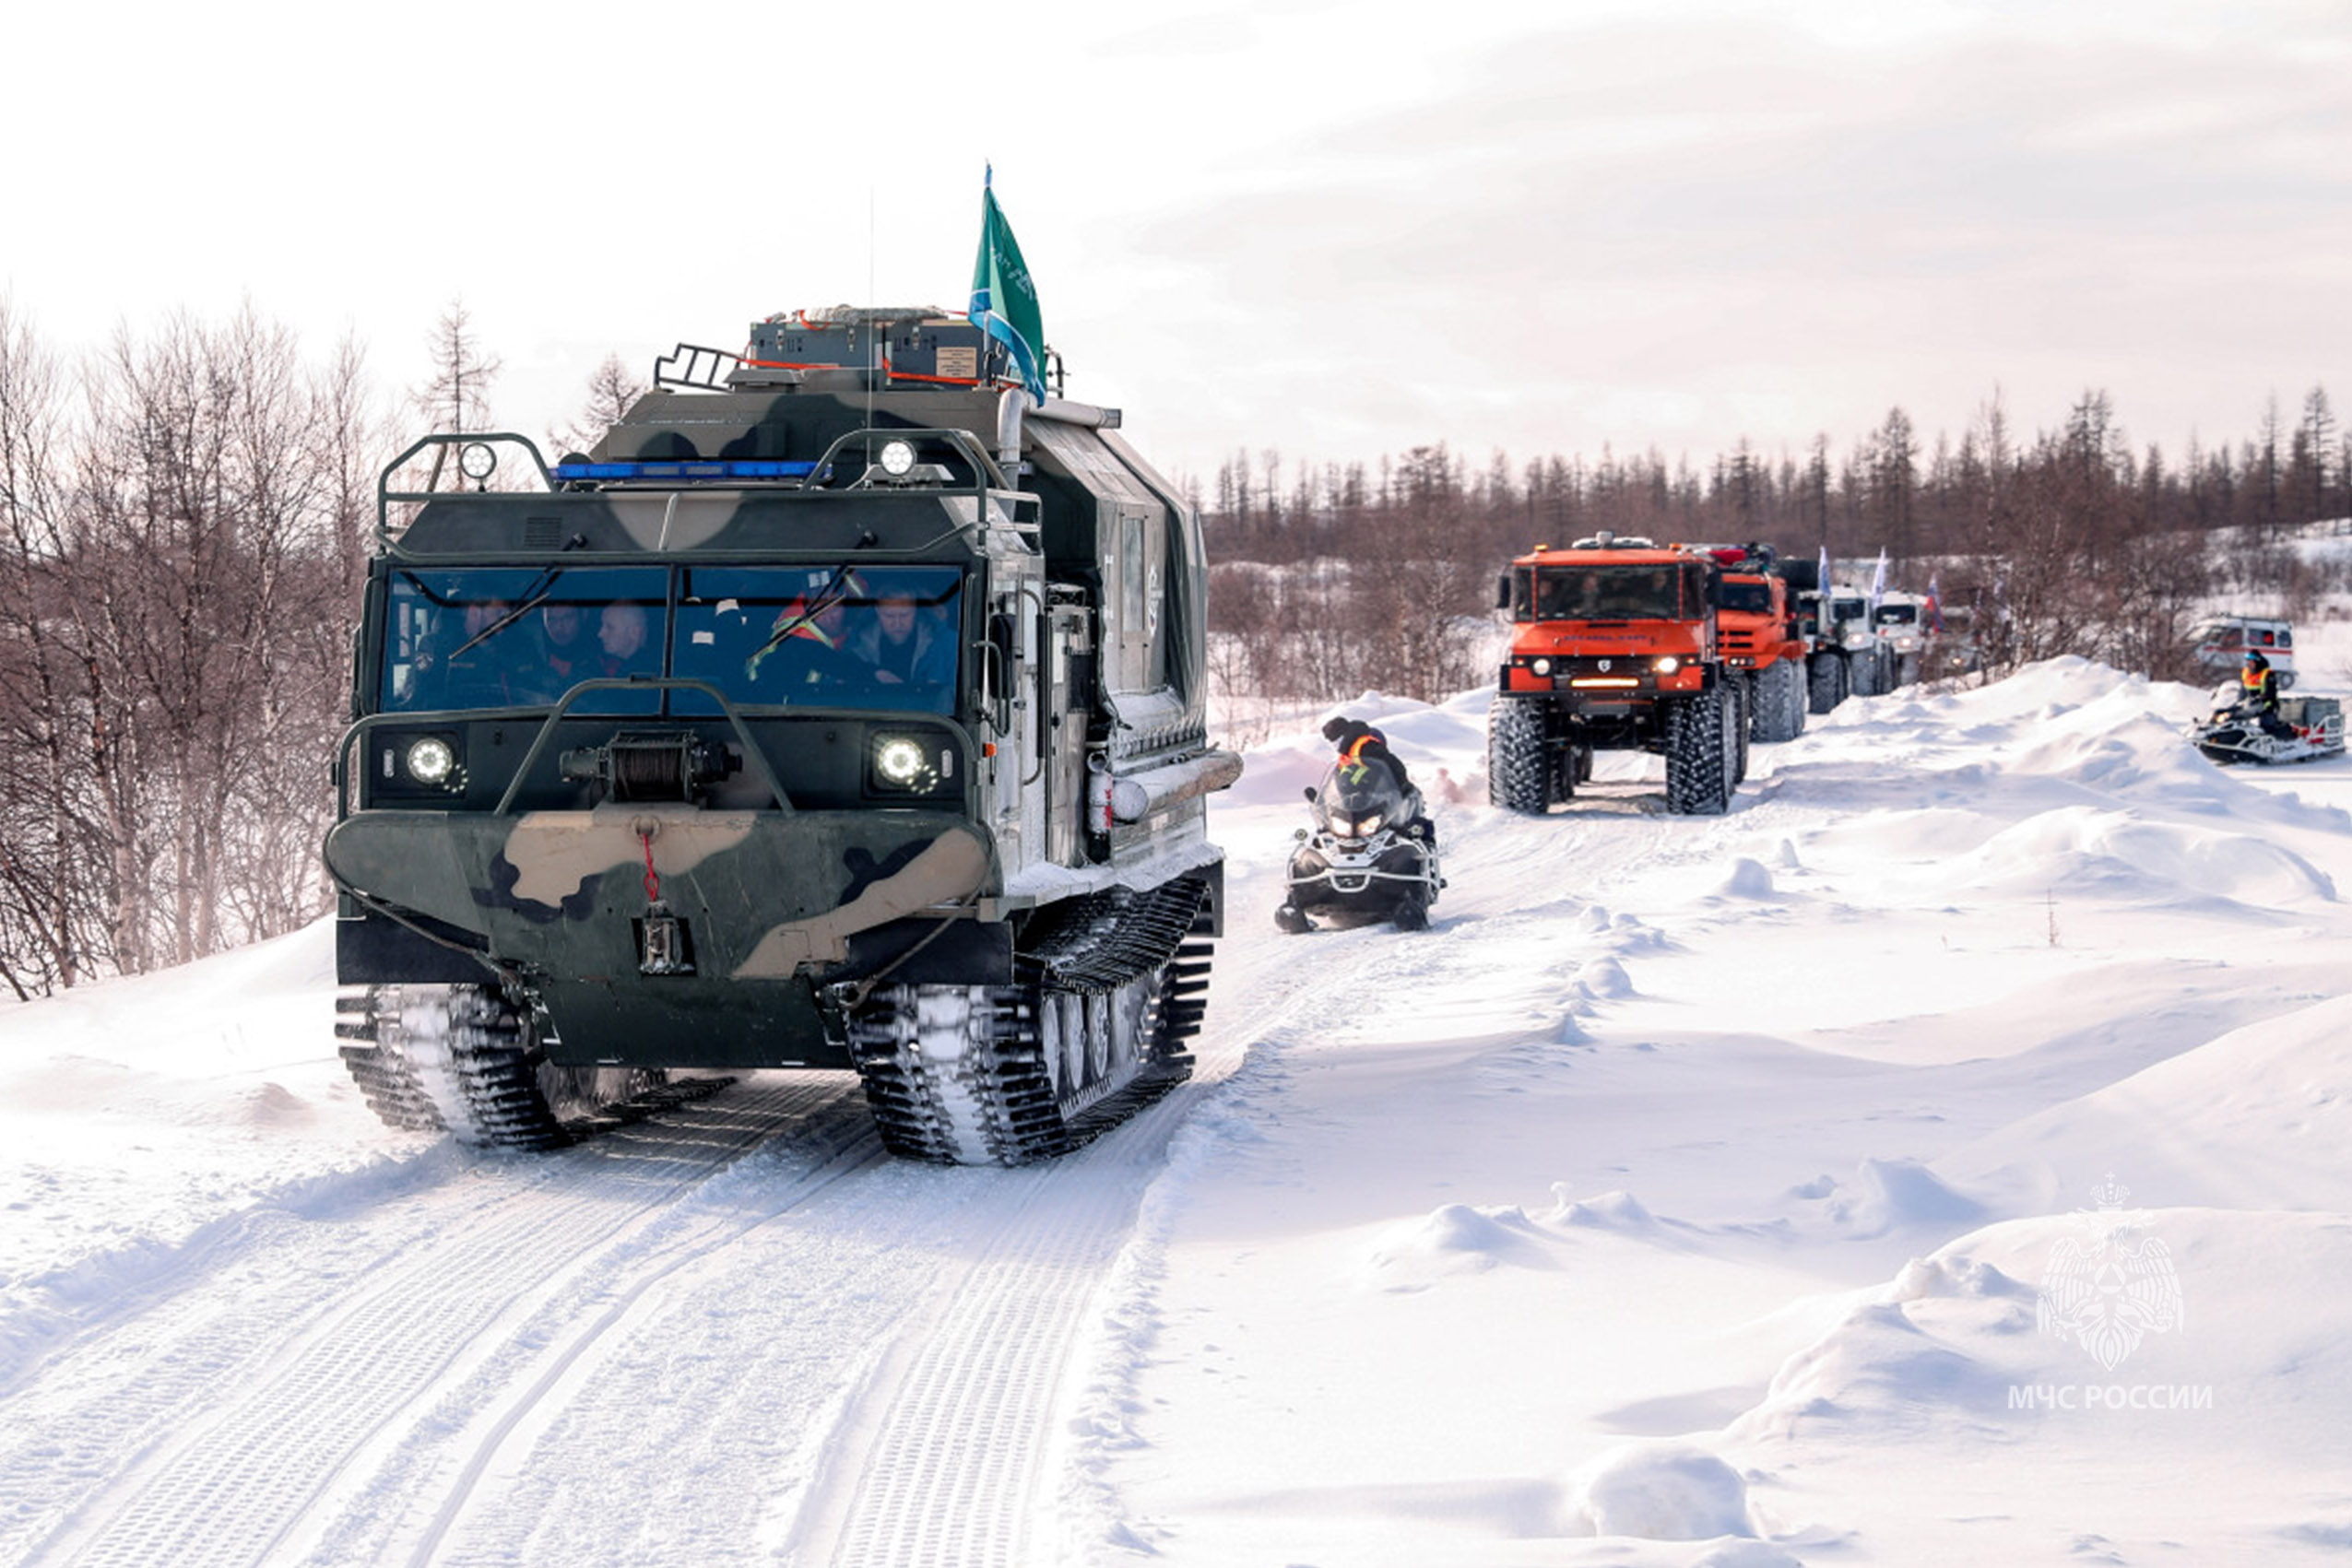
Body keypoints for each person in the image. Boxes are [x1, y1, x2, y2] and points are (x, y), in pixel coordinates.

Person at [853, 593, 955, 690]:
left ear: (916, 610)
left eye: (904, 615)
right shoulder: (857, 645)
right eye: (889, 616)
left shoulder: (942, 644)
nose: (897, 623)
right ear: (877, 611)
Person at [2235, 650, 2294, 739]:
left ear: (2257, 661)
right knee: (2235, 717)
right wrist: (2238, 700)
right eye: (2248, 661)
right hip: (2250, 706)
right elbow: (2242, 690)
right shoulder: (2246, 673)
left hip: (2266, 705)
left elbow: (2270, 692)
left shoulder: (2267, 674)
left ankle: (2271, 741)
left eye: (2251, 661)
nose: (2249, 663)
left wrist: (2261, 698)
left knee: (2267, 726)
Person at [595, 601, 656, 679]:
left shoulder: (645, 675)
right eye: (602, 626)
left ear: (635, 633)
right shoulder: (609, 666)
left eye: (610, 627)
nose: (600, 634)